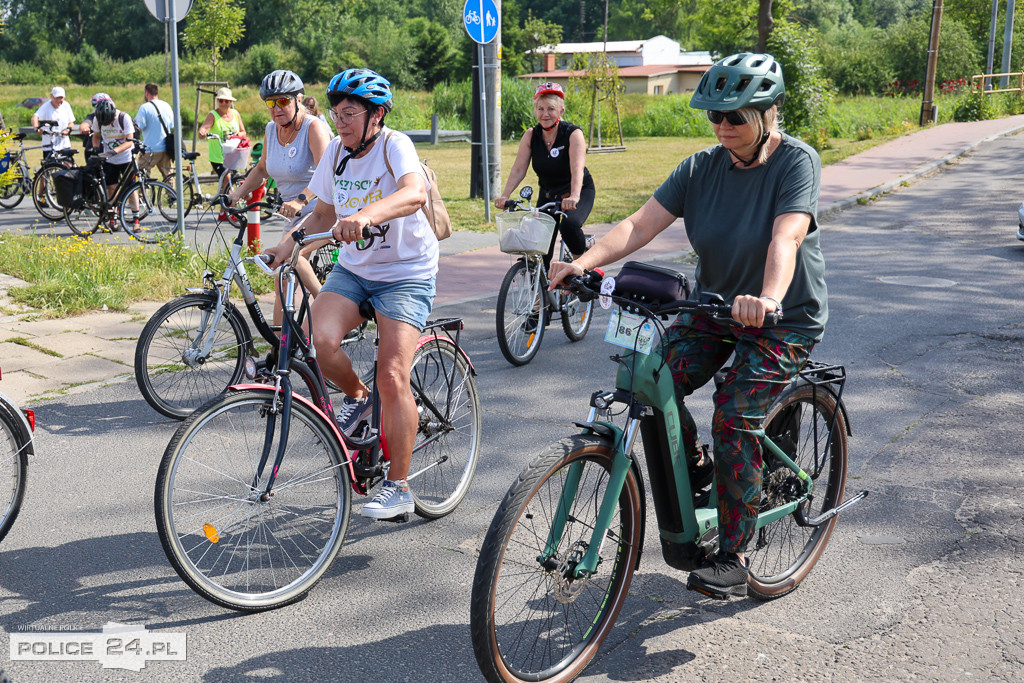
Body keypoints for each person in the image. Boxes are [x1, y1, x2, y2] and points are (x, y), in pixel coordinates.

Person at [548, 53, 828, 599]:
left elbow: (787, 236)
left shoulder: (797, 162)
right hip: (715, 308)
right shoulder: (700, 168)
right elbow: (639, 224)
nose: (723, 127)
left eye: (736, 116)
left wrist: (769, 298)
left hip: (783, 318)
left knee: (734, 415)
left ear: (770, 113)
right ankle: (699, 466)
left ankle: (734, 553)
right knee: (649, 379)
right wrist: (582, 263)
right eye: (714, 116)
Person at [262, 68, 438, 521]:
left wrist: (365, 215)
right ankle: (358, 397)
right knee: (318, 340)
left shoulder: (394, 144)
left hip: (405, 273)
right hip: (356, 270)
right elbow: (322, 213)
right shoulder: (337, 153)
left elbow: (414, 194)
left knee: (393, 375)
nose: (339, 123)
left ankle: (398, 486)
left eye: (349, 114)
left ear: (376, 115)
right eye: (336, 113)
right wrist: (286, 246)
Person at [227, 70, 331, 317]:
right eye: (270, 103)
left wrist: (300, 200)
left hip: (322, 211)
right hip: (293, 216)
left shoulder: (313, 127)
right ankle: (281, 340)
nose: (276, 108)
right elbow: (262, 168)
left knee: (291, 260)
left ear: (298, 99)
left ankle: (329, 308)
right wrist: (236, 194)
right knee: (281, 283)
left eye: (283, 101)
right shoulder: (271, 130)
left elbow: (326, 174)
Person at [495, 81, 595, 265]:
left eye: (551, 109)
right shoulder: (531, 135)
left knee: (569, 226)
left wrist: (574, 196)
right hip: (548, 194)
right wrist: (505, 195)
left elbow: (577, 169)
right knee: (539, 248)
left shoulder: (573, 134)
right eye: (540, 109)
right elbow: (518, 169)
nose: (545, 114)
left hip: (576, 190)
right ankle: (541, 282)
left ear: (561, 110)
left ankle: (582, 265)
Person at [91, 98, 139, 231]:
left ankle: (136, 220)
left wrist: (114, 151)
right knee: (111, 189)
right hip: (110, 160)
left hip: (126, 158)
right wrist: (95, 150)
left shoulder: (124, 118)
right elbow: (96, 136)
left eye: (110, 121)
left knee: (131, 189)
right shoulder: (98, 119)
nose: (108, 124)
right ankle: (113, 218)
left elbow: (129, 141)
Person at [197, 87, 246, 179]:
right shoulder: (212, 115)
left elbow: (244, 132)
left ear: (231, 102)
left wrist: (239, 135)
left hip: (233, 156)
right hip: (218, 158)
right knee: (227, 178)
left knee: (237, 180)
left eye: (226, 101)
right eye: (221, 101)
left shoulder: (235, 114)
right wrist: (202, 132)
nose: (223, 103)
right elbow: (203, 129)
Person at [135, 83, 175, 179]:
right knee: (169, 176)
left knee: (142, 175)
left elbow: (138, 126)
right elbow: (172, 125)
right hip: (166, 148)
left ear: (147, 93)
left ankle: (145, 189)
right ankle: (170, 189)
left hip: (150, 149)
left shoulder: (144, 108)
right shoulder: (166, 106)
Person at [31, 86, 75, 160]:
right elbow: (35, 117)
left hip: (64, 144)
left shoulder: (66, 105)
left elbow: (71, 122)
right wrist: (37, 128)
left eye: (61, 98)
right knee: (50, 165)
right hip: (49, 145)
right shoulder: (46, 106)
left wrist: (68, 129)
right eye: (57, 98)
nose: (59, 100)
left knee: (68, 164)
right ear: (51, 96)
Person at [79, 93, 111, 162]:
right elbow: (84, 124)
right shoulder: (92, 117)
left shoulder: (114, 116)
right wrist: (85, 128)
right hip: (95, 147)